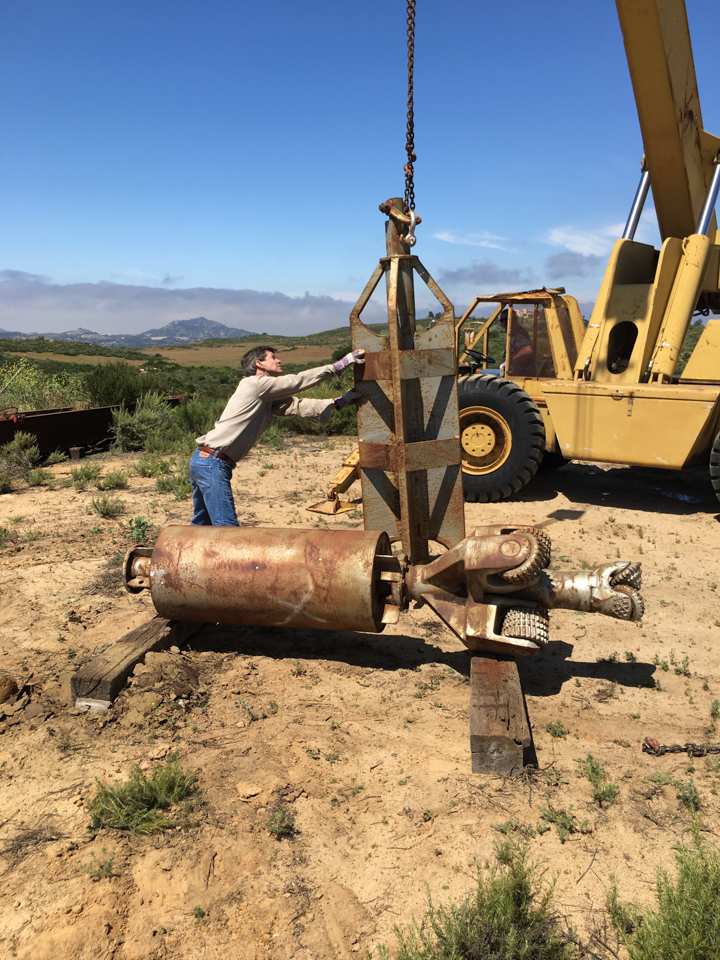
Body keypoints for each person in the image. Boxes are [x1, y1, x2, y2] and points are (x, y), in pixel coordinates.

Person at [189, 345, 365, 526]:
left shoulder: (265, 395)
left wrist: (339, 402)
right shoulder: (254, 385)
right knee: (226, 526)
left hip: (207, 460)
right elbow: (296, 381)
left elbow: (295, 406)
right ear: (259, 363)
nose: (279, 360)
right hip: (212, 461)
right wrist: (338, 366)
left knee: (203, 524)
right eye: (273, 357)